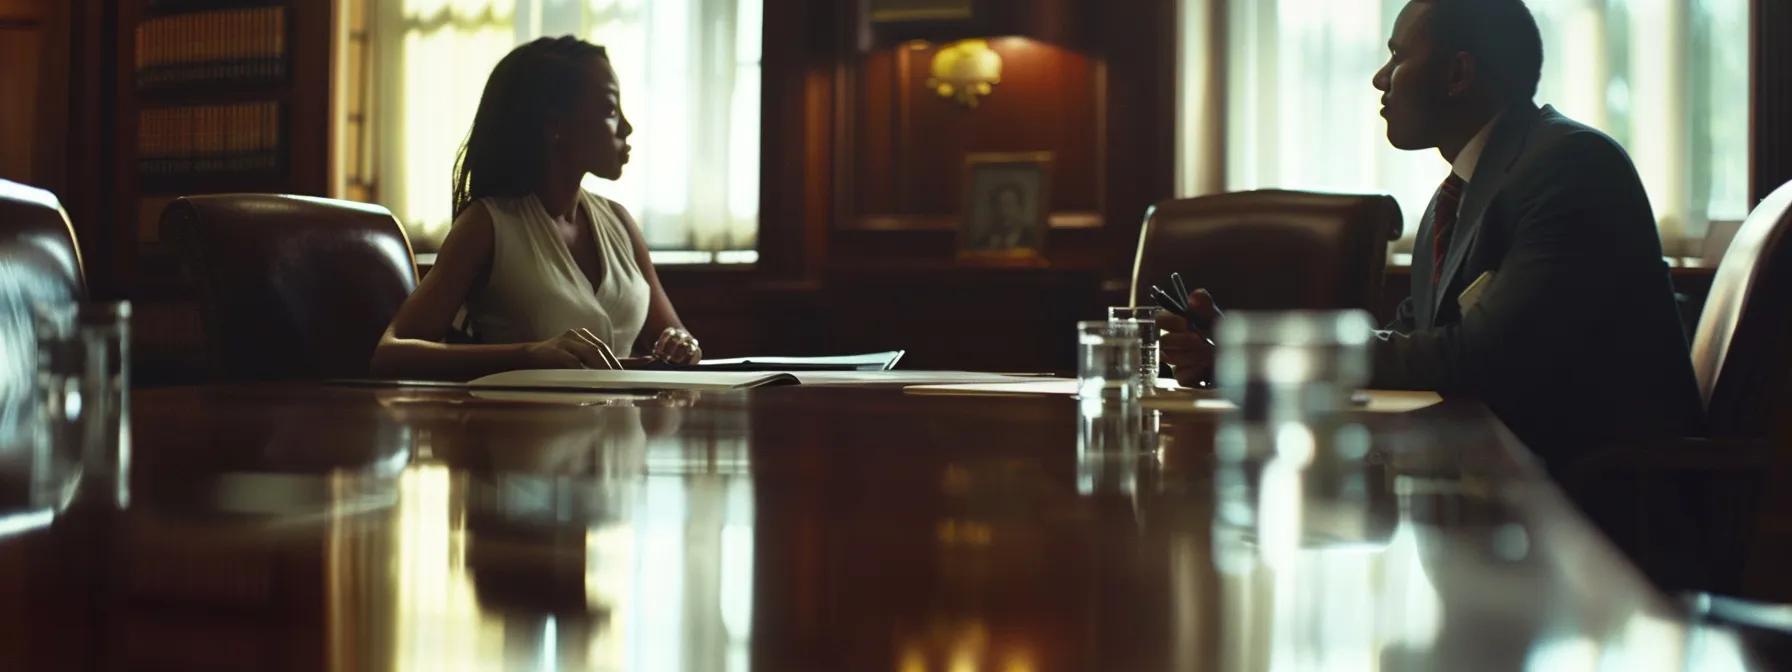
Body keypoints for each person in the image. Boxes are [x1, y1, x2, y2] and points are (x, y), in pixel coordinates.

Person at [1159, 0, 1703, 456]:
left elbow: (1476, 360)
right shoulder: (1467, 190)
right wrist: (1239, 347)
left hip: (1594, 519)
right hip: (1497, 492)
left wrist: (1254, 352)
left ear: (1458, 74)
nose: (1379, 77)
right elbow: (1408, 339)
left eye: (1397, 54)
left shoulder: (1570, 168)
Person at [372, 37, 701, 380]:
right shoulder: (487, 225)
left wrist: (682, 345)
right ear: (555, 125)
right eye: (610, 109)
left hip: (625, 432)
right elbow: (391, 354)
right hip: (524, 431)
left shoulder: (619, 221)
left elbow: (674, 337)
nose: (627, 127)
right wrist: (529, 354)